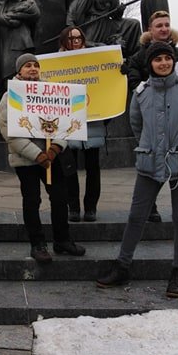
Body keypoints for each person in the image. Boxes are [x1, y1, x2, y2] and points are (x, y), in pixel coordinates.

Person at [96, 42, 178, 298]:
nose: (163, 63)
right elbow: (137, 126)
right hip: (149, 163)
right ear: (150, 64)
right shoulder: (141, 93)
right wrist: (150, 148)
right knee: (136, 216)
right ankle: (122, 265)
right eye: (157, 59)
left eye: (167, 58)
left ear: (172, 61)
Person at [0, 53, 86, 264]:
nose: (33, 68)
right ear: (19, 71)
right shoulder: (10, 96)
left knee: (60, 198)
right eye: (27, 65)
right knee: (32, 200)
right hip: (27, 160)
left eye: (36, 65)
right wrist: (37, 155)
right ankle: (38, 244)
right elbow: (9, 131)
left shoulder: (52, 91)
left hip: (52, 157)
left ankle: (62, 240)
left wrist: (55, 148)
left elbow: (66, 122)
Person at [122, 10, 178, 222]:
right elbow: (134, 85)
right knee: (151, 165)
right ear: (150, 29)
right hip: (152, 119)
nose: (164, 28)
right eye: (159, 25)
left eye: (167, 24)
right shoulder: (138, 57)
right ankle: (150, 205)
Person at [58, 26, 106, 222]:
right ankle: (74, 207)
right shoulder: (56, 65)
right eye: (71, 39)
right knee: (69, 168)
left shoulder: (93, 60)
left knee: (93, 167)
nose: (75, 42)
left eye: (78, 38)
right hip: (67, 123)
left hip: (92, 121)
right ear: (64, 41)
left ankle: (91, 207)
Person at [0, 0, 41, 82]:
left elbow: (35, 14)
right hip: (7, 45)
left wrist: (13, 15)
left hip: (22, 43)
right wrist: (12, 22)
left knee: (26, 69)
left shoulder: (28, 2)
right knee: (8, 72)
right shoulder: (3, 5)